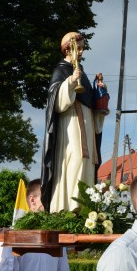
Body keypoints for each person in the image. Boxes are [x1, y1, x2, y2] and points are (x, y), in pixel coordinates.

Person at [40, 32, 107, 212]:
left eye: (83, 47)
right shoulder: (61, 70)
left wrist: (98, 93)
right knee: (75, 158)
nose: (83, 51)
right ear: (69, 48)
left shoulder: (82, 72)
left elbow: (90, 100)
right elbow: (55, 101)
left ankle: (85, 208)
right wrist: (70, 81)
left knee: (88, 162)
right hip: (70, 123)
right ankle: (68, 207)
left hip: (86, 123)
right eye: (80, 47)